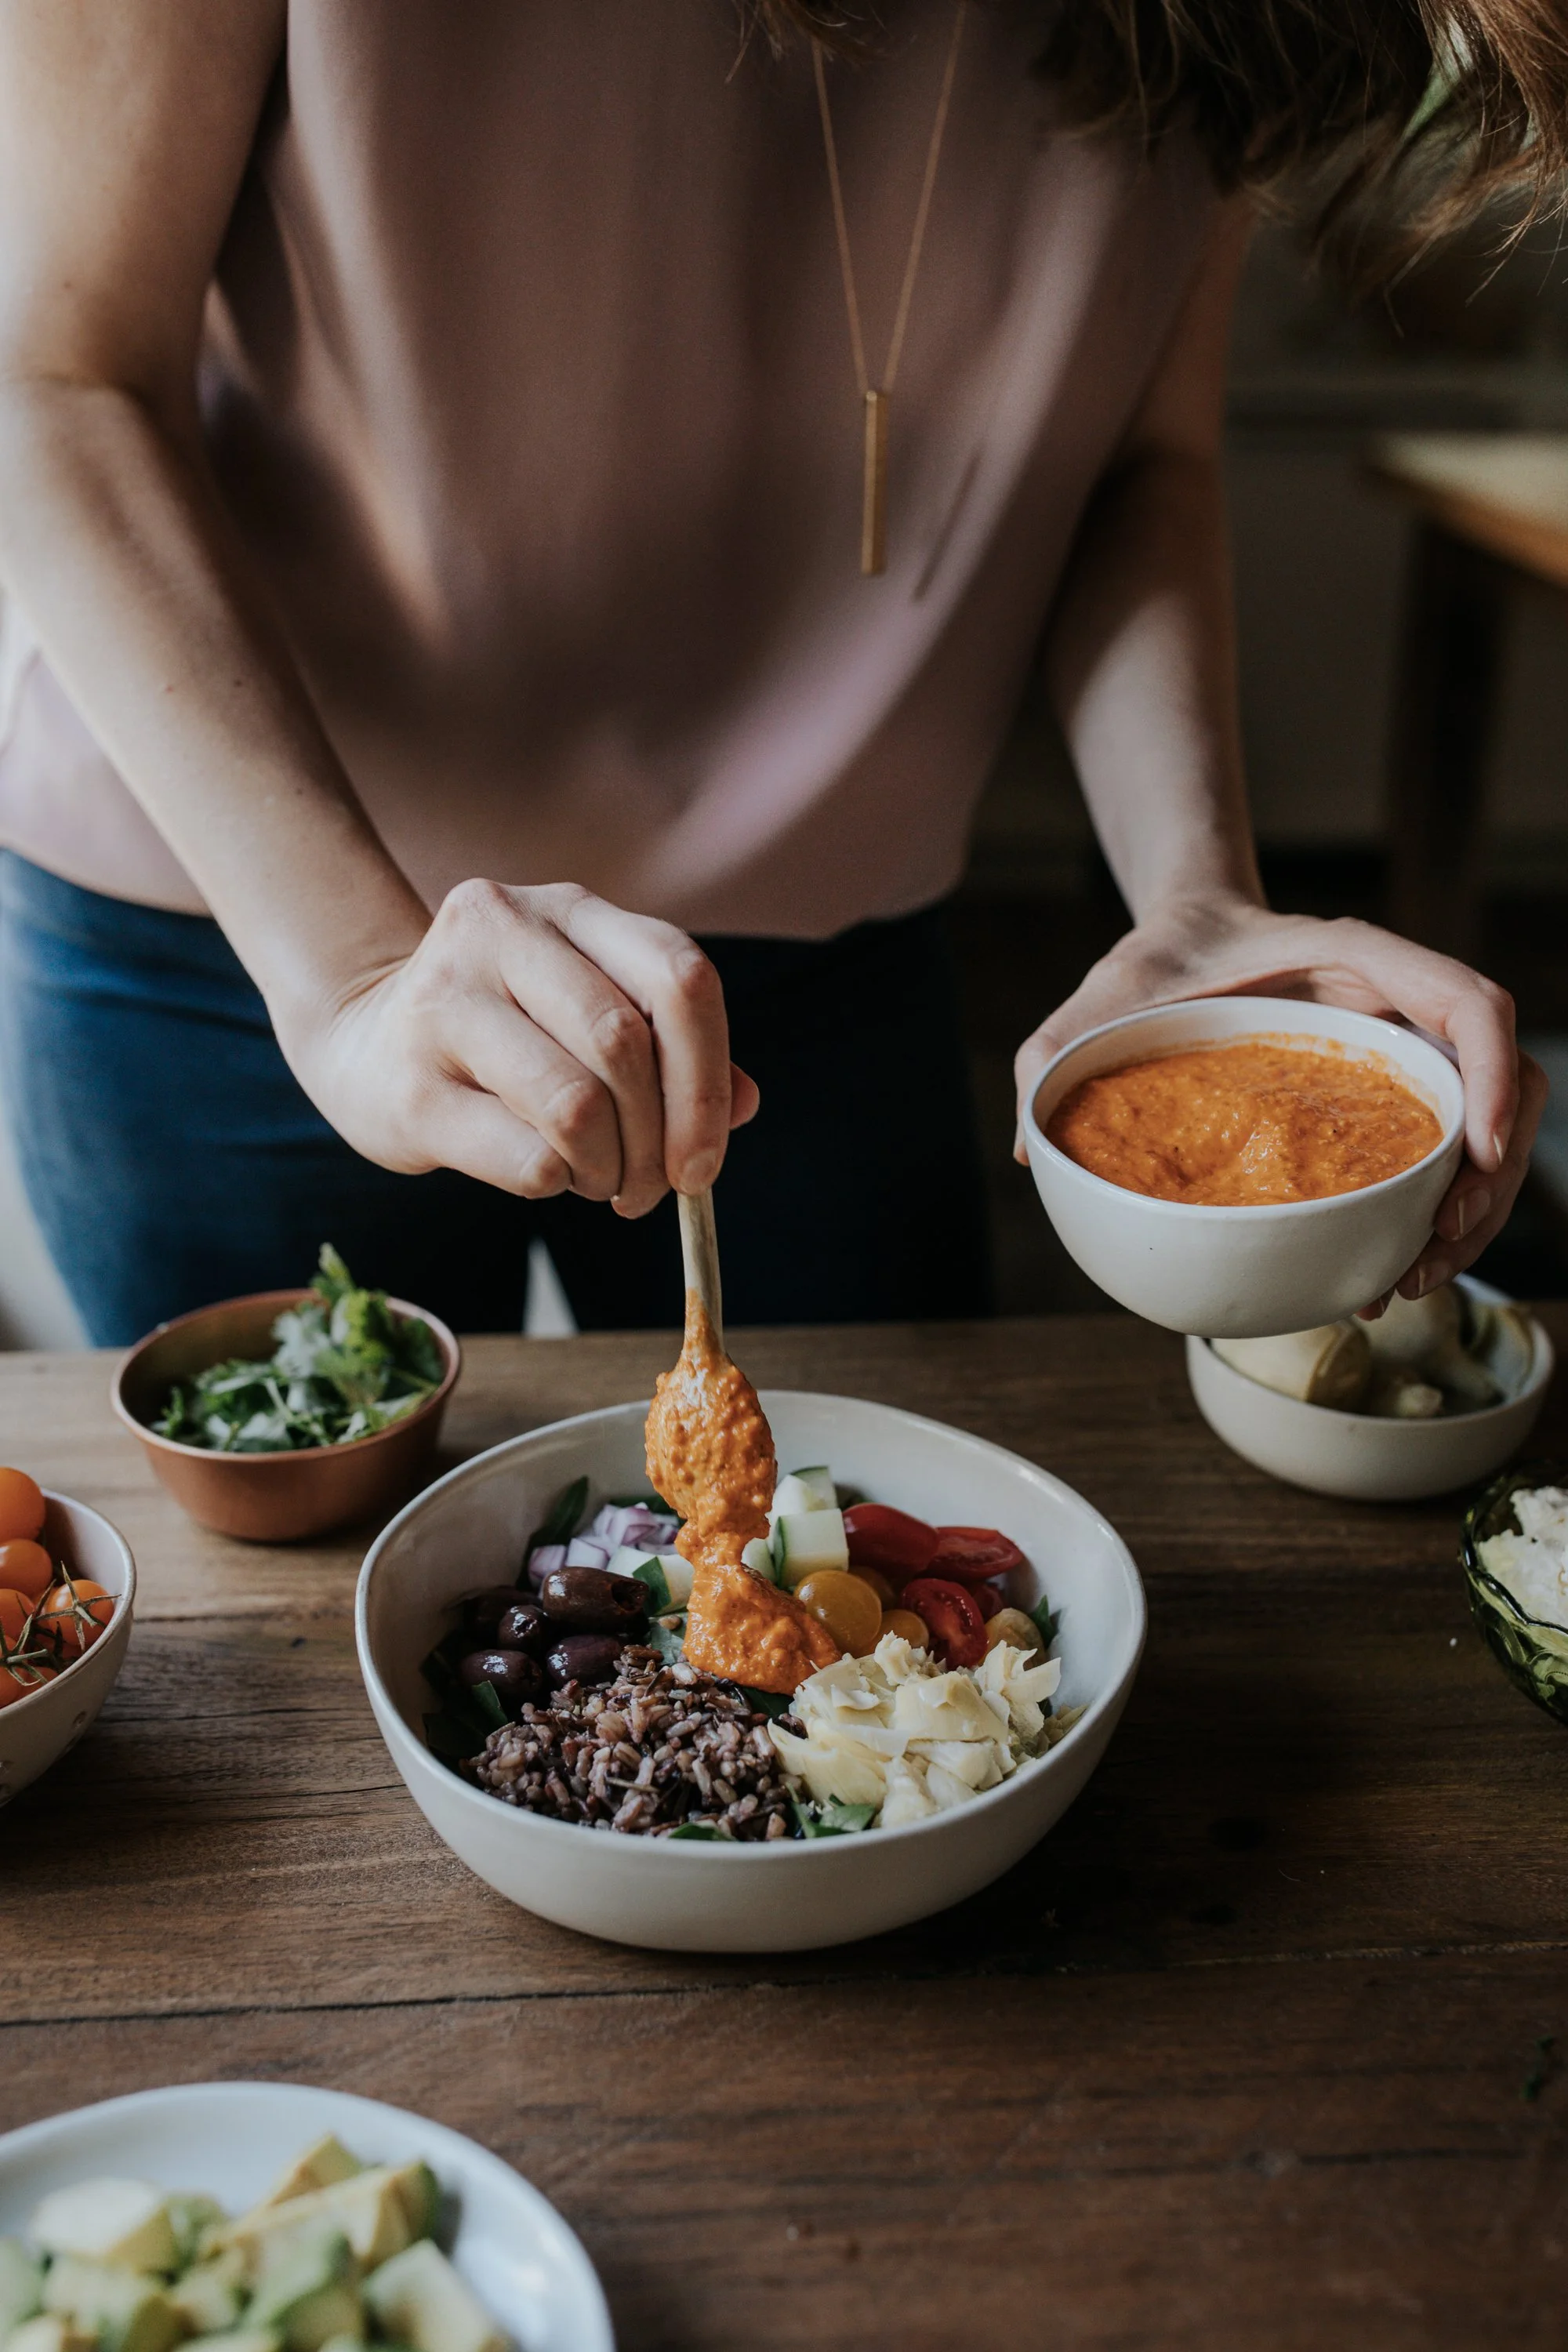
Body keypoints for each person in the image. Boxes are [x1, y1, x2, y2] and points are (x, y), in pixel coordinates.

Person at [0, 0, 1555, 1345]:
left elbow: (1139, 464)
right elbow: (56, 377)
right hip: (236, 928)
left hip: (824, 959)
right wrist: (345, 977)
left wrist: (1195, 899)